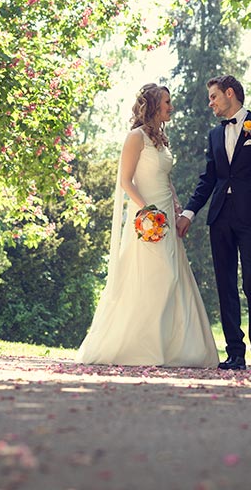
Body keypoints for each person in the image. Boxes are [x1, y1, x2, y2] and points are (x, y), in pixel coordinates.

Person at [76, 83, 219, 367]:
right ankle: (141, 347)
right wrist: (147, 211)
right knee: (155, 277)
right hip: (147, 219)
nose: (171, 107)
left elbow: (165, 179)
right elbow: (125, 181)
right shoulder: (136, 138)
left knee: (174, 277)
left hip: (167, 215)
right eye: (167, 102)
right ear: (153, 105)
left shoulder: (162, 140)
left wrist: (178, 208)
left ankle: (176, 349)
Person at [176, 75, 251, 370]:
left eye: (213, 96)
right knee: (225, 283)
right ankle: (235, 353)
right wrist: (189, 212)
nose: (210, 103)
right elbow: (208, 179)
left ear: (229, 93)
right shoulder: (215, 135)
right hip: (220, 216)